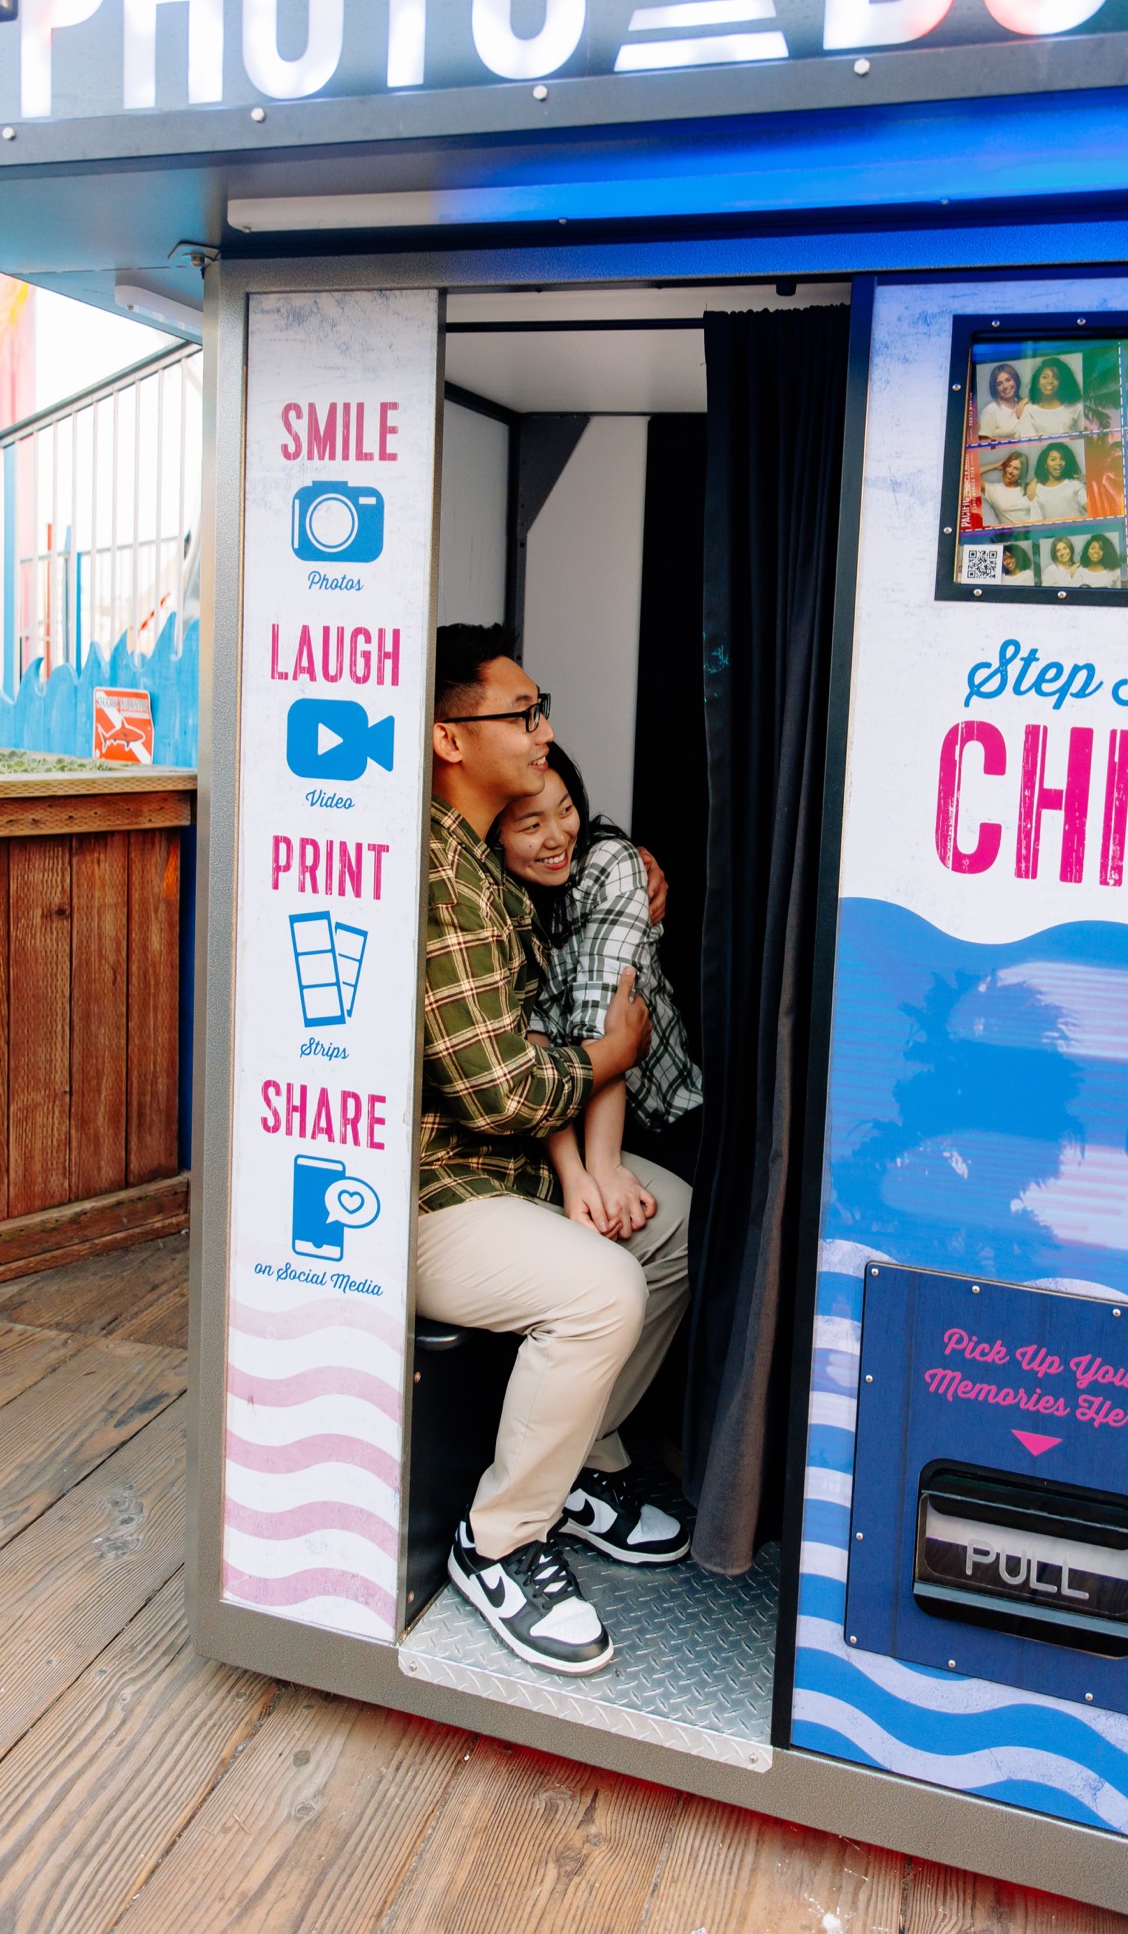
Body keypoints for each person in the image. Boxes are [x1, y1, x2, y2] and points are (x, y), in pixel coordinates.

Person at [416, 623, 692, 1679]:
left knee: (673, 1225)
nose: (545, 733)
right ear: (450, 736)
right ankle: (498, 1542)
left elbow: (574, 886)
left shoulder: (486, 851)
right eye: (521, 714)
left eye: (542, 711)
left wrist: (631, 870)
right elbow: (494, 1082)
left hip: (507, 1166)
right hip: (431, 1192)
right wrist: (606, 1052)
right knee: (602, 1286)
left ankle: (569, 1467)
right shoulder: (437, 868)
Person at [495, 740, 702, 1257]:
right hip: (554, 1116)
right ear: (493, 836)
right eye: (530, 825)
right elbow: (532, 1043)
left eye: (566, 809)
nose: (557, 835)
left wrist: (604, 1165)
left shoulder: (610, 864)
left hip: (655, 1110)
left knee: (679, 1236)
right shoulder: (495, 902)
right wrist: (576, 1174)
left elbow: (609, 1027)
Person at [1020, 357, 1083, 436]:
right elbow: (1027, 442)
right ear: (1037, 382)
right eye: (1045, 377)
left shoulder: (1076, 407)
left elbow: (1084, 439)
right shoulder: (1029, 410)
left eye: (1056, 378)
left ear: (1062, 382)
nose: (1050, 381)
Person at [1029, 441, 1088, 521]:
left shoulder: (1075, 484)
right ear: (1045, 463)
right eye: (1053, 459)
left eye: (1062, 459)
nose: (1059, 463)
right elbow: (1035, 521)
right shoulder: (1037, 489)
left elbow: (1092, 509)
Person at [980, 449, 1036, 527]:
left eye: (1016, 468)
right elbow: (970, 475)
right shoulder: (994, 490)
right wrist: (995, 466)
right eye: (1009, 466)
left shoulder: (1028, 488)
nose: (1010, 471)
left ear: (1022, 472)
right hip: (1009, 537)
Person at [978, 362, 1027, 440]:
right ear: (995, 388)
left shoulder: (1022, 405)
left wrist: (1027, 399)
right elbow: (984, 444)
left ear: (1015, 380)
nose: (1005, 386)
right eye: (999, 384)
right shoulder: (990, 411)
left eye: (1008, 380)